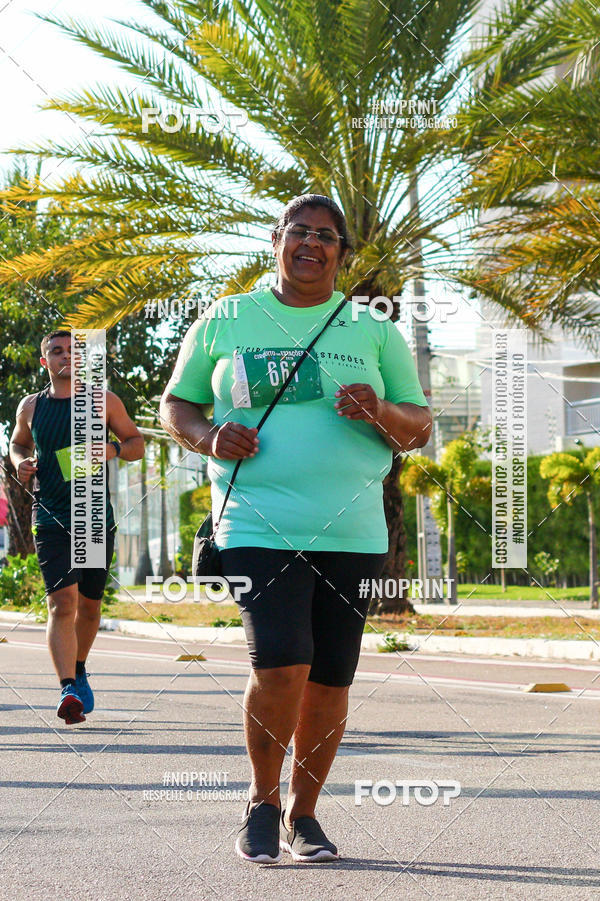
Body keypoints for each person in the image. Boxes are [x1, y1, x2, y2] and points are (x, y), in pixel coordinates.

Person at [160, 194, 432, 864]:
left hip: (354, 530)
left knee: (331, 679)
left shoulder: (371, 329)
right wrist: (208, 436)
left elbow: (419, 428)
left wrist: (380, 411)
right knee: (280, 663)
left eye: (326, 236)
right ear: (277, 240)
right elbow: (177, 404)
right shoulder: (227, 317)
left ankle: (303, 813)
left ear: (342, 253)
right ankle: (262, 799)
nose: (311, 244)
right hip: (257, 519)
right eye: (299, 232)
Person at [9, 330, 144, 724]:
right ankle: (67, 687)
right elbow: (18, 443)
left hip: (93, 516)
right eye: (56, 351)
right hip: (50, 515)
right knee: (61, 603)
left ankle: (79, 667)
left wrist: (112, 448)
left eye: (72, 351)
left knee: (89, 606)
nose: (65, 356)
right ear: (44, 361)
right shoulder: (30, 406)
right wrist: (20, 461)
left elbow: (136, 443)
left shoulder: (103, 401)